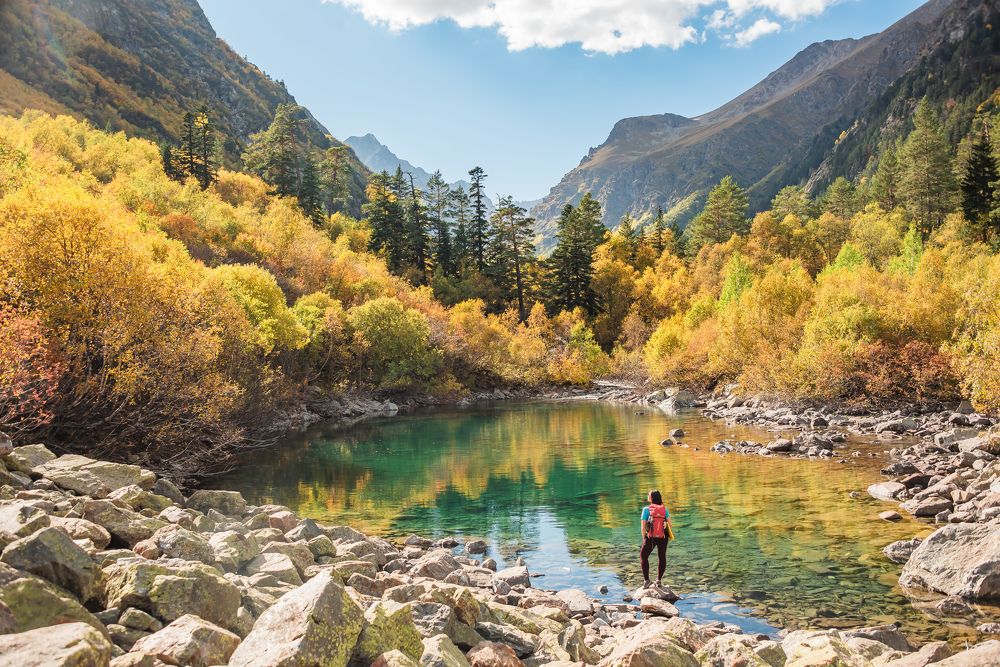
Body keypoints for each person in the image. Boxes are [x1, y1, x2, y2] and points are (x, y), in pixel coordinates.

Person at [640, 489, 671, 588]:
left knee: (643, 556)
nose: (647, 496)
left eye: (649, 495)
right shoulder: (664, 509)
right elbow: (670, 524)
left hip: (651, 537)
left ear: (652, 498)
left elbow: (643, 527)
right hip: (663, 536)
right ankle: (658, 581)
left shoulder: (646, 509)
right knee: (662, 557)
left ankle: (646, 581)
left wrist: (644, 537)